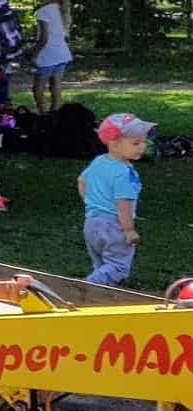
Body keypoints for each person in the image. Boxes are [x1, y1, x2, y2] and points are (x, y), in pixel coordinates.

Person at [78, 113, 153, 287]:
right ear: (113, 143)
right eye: (135, 143)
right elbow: (123, 202)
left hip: (92, 223)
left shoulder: (99, 162)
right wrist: (128, 230)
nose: (141, 147)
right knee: (118, 266)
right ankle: (87, 287)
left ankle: (99, 297)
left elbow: (81, 181)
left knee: (101, 265)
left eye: (143, 142)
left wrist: (92, 204)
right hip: (114, 225)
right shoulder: (125, 173)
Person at [30, 0, 73, 114]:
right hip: (62, 53)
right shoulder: (59, 9)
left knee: (38, 89)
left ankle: (44, 116)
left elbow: (44, 38)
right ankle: (56, 117)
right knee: (56, 88)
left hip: (48, 55)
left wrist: (35, 53)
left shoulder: (43, 11)